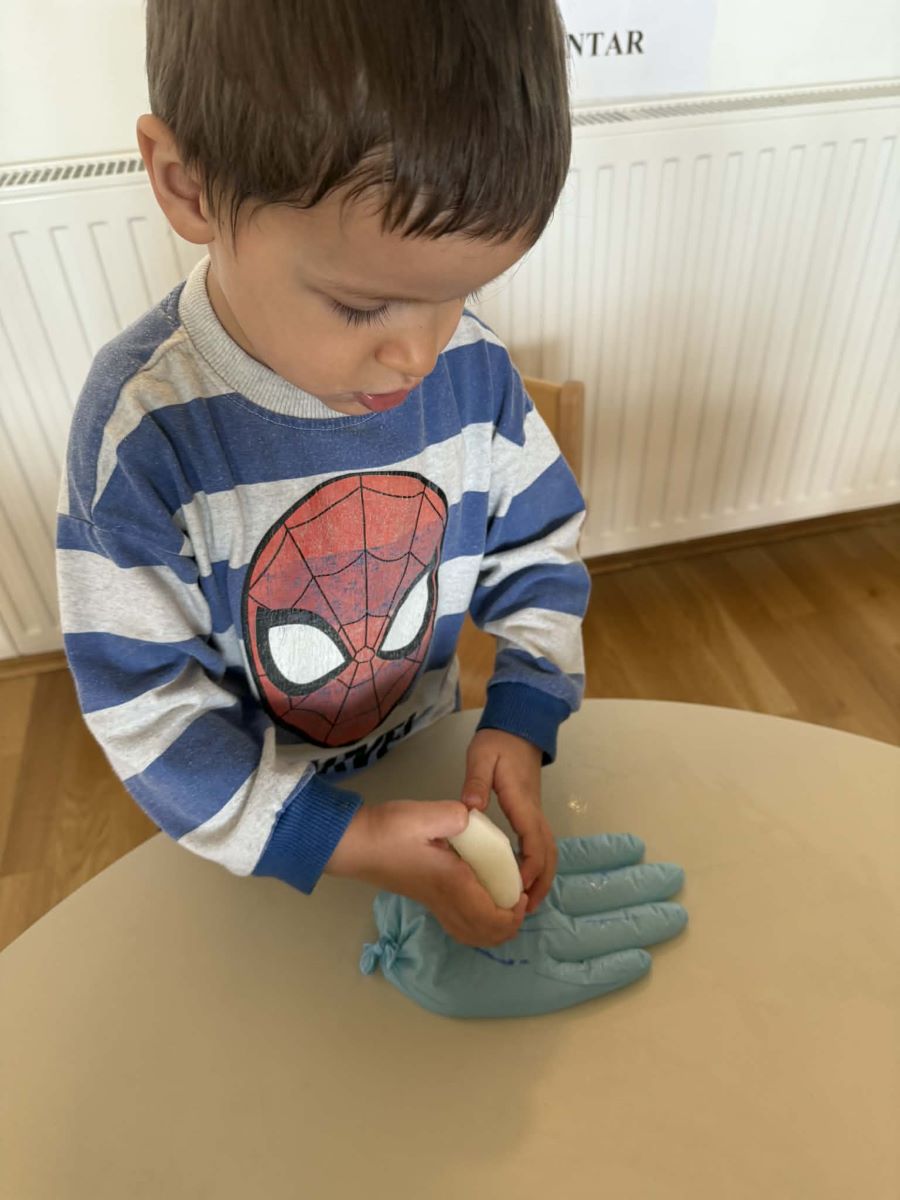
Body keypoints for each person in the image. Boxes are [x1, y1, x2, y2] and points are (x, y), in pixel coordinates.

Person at [56, 0, 590, 948]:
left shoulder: (471, 366)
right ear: (187, 185)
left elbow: (539, 549)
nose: (421, 354)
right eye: (361, 306)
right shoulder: (143, 437)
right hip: (261, 844)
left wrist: (519, 716)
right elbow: (148, 716)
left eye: (461, 293)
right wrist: (344, 838)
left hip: (425, 781)